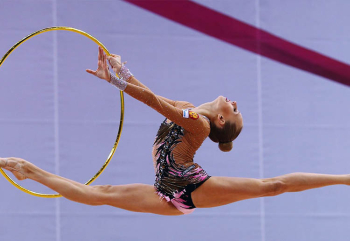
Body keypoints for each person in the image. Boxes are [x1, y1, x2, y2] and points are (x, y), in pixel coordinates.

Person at [1, 47, 349, 216]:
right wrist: (122, 74)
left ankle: (344, 178)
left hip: (189, 187)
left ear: (222, 121)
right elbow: (155, 96)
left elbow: (154, 103)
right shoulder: (189, 108)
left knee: (272, 187)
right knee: (101, 192)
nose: (235, 102)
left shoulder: (198, 125)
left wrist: (118, 82)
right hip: (165, 189)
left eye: (236, 111)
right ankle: (28, 169)